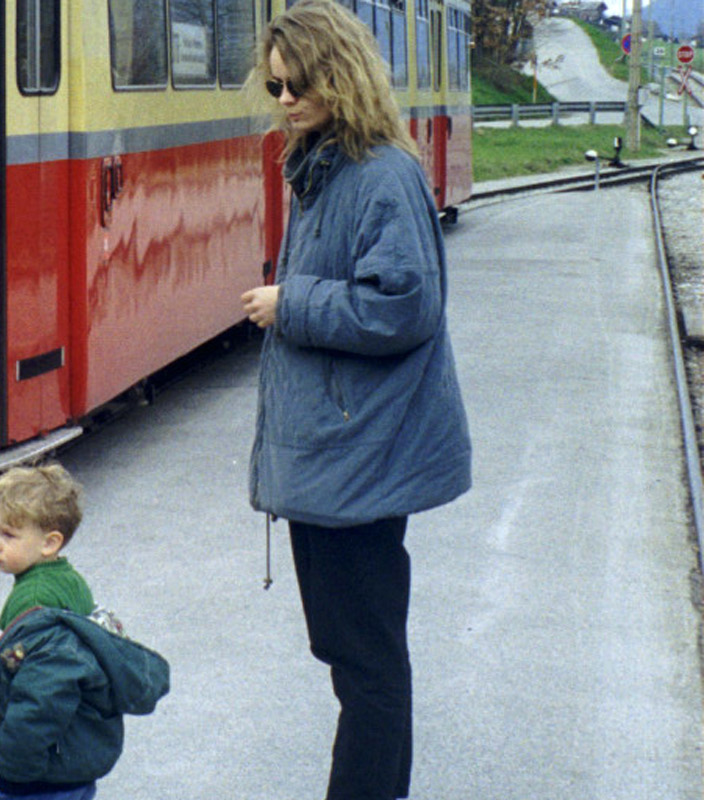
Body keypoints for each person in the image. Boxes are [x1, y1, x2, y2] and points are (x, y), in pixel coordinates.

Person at [238, 1, 472, 798]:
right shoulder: (328, 167)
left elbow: (404, 306)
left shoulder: (380, 175)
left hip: (361, 459)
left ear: (338, 77)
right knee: (352, 655)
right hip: (339, 459)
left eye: (298, 84)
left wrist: (290, 304)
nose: (284, 101)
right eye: (273, 86)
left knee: (367, 663)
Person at [0, 464, 170, 800]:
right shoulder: (68, 580)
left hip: (42, 776)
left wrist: (11, 767)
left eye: (8, 535)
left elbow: (44, 692)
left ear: (49, 542)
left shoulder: (34, 598)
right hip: (72, 755)